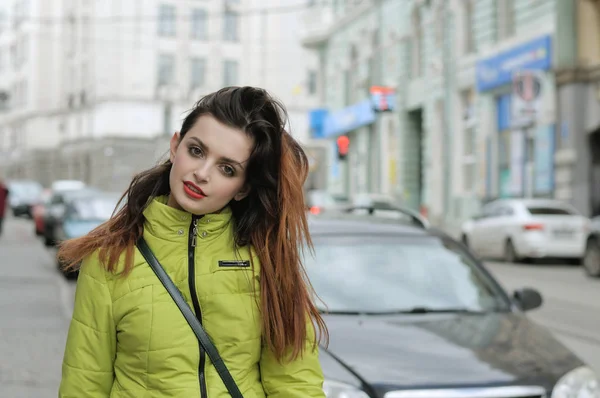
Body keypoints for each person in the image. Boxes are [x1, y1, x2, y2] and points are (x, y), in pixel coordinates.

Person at [57, 86, 328, 397]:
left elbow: (295, 383)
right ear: (175, 147)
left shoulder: (264, 259)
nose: (201, 174)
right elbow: (84, 383)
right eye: (196, 151)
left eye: (227, 169)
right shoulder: (110, 260)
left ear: (242, 188)